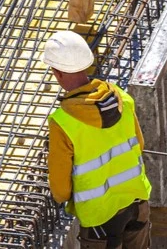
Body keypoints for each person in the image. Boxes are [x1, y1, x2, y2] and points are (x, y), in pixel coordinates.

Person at [42, 30, 152, 248]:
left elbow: (61, 191)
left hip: (98, 219)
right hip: (137, 203)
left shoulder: (63, 122)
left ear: (57, 72)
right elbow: (139, 145)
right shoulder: (122, 98)